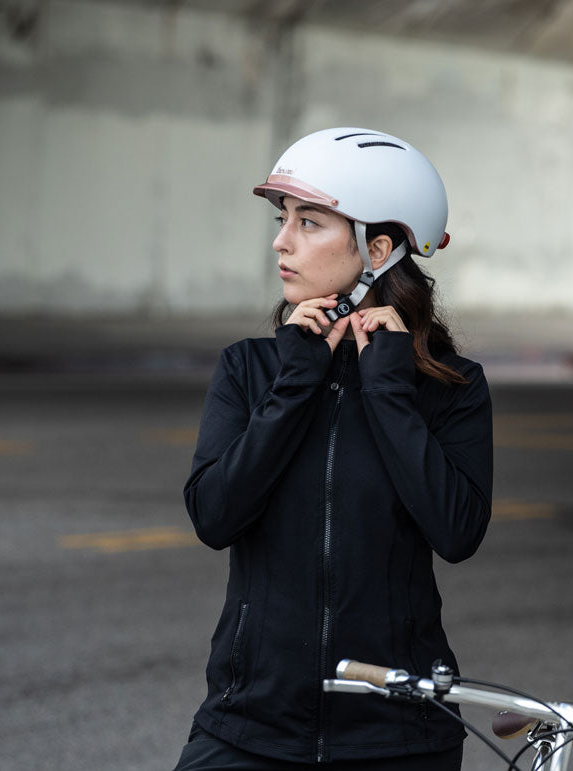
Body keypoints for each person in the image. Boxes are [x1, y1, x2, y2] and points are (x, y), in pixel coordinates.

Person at [175, 127, 493, 770]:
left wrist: (390, 392)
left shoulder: (449, 388)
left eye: (310, 222)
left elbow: (457, 531)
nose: (280, 241)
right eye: (282, 219)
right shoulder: (250, 370)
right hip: (247, 728)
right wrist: (295, 381)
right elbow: (214, 516)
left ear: (377, 247)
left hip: (399, 739)